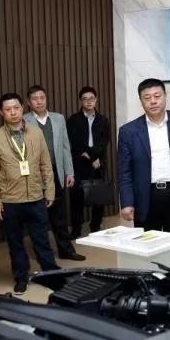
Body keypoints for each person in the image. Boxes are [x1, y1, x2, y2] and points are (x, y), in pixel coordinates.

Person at [0, 92, 60, 295]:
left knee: (42, 240)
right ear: (1, 112)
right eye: (8, 109)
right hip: (10, 200)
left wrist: (50, 190)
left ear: (22, 108)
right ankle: (21, 277)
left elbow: (46, 164)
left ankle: (51, 274)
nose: (13, 112)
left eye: (16, 108)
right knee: (15, 242)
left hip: (36, 196)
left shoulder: (36, 133)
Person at [118, 78, 170, 239]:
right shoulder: (128, 131)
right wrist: (127, 202)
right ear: (141, 101)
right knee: (148, 245)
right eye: (147, 97)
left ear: (165, 96)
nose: (153, 101)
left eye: (157, 96)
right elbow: (124, 171)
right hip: (145, 197)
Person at [24, 85, 85, 261]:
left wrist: (69, 172)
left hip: (56, 171)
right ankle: (43, 254)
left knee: (59, 215)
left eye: (42, 97)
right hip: (35, 174)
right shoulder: (24, 120)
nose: (39, 101)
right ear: (28, 102)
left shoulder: (58, 118)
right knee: (38, 216)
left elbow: (65, 146)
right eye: (35, 98)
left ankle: (66, 251)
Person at [67, 86, 111, 238]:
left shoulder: (103, 120)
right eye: (85, 99)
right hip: (79, 162)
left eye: (91, 98)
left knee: (98, 197)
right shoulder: (73, 120)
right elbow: (74, 141)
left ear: (96, 99)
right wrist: (89, 155)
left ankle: (95, 226)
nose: (88, 102)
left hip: (98, 163)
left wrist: (94, 157)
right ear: (81, 101)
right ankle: (76, 229)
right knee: (76, 198)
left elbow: (104, 141)